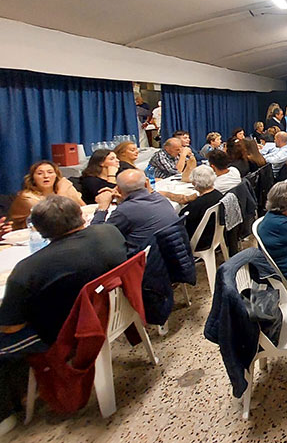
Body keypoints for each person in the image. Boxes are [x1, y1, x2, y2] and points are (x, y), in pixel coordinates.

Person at [0, 196, 127, 428]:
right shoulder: (109, 232)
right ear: (81, 216)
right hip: (112, 312)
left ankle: (9, 413)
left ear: (38, 229)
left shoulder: (27, 270)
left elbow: (11, 327)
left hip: (68, 333)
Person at [92, 170, 178, 254]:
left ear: (119, 190)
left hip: (141, 261)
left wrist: (102, 208)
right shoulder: (159, 198)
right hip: (169, 257)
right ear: (146, 184)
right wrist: (121, 200)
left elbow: (97, 237)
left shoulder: (125, 211)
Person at [8, 161, 84, 229]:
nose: (46, 176)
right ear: (33, 179)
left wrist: (71, 191)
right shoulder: (27, 198)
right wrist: (62, 192)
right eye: (40, 173)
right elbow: (52, 219)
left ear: (56, 176)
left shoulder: (64, 188)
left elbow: (85, 208)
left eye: (50, 172)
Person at [177, 165, 223, 249]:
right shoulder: (219, 195)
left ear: (194, 183)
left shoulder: (196, 205)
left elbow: (180, 217)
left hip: (200, 241)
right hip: (216, 236)